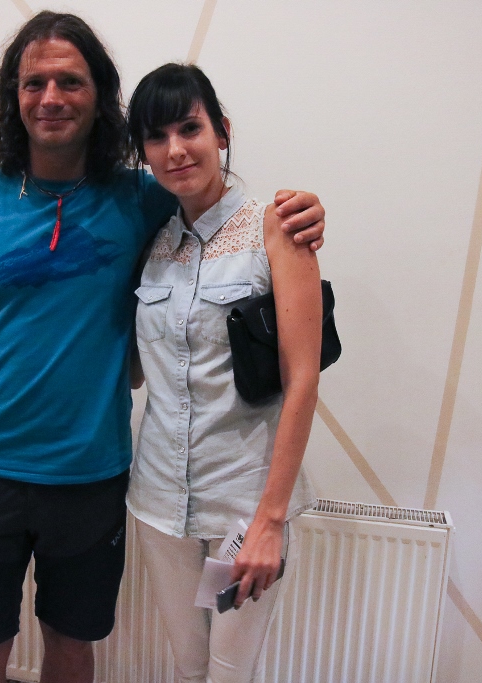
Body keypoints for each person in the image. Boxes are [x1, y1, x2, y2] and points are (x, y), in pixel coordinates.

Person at [0, 12, 325, 683]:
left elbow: (214, 202)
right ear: (13, 97)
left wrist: (298, 210)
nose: (51, 97)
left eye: (70, 81)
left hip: (93, 481)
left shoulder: (143, 199)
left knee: (74, 650)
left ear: (100, 99)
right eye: (33, 82)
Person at [126, 63, 322, 683]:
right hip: (160, 502)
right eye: (157, 137)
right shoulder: (151, 245)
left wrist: (270, 520)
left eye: (190, 128)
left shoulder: (277, 228)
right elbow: (136, 371)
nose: (176, 150)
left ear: (222, 131)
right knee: (188, 667)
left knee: (229, 672)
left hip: (243, 504)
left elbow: (303, 378)